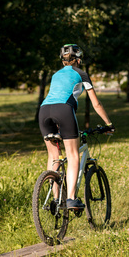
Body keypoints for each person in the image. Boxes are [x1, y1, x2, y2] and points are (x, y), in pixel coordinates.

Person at [39, 44, 114, 210]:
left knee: (54, 156)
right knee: (73, 154)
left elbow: (55, 96)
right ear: (78, 59)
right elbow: (96, 103)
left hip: (44, 111)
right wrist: (108, 124)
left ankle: (56, 199)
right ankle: (72, 198)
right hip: (64, 109)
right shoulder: (81, 74)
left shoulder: (55, 75)